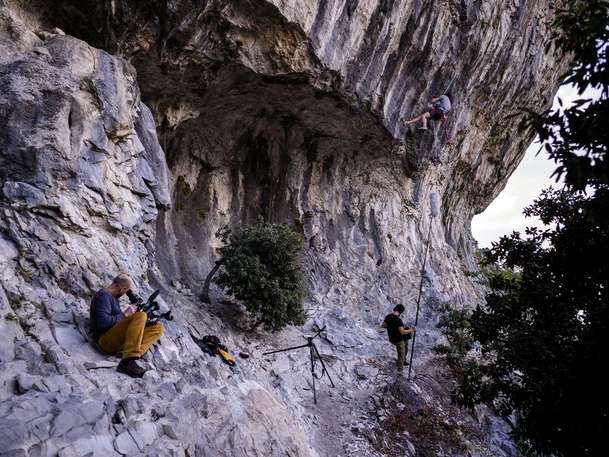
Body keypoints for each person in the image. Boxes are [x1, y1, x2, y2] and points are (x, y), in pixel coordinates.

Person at [90, 273, 164, 378]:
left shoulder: (113, 298)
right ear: (121, 289)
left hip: (114, 339)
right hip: (103, 341)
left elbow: (118, 322)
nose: (126, 293)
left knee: (157, 327)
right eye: (126, 290)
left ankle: (133, 354)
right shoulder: (103, 296)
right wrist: (125, 314)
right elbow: (103, 324)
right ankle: (127, 362)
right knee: (141, 316)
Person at [381, 304, 416, 372]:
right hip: (398, 340)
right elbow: (402, 332)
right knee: (401, 354)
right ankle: (400, 370)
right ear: (401, 312)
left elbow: (383, 326)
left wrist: (392, 327)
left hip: (391, 337)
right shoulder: (398, 320)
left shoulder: (388, 317)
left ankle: (404, 361)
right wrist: (412, 330)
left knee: (406, 342)